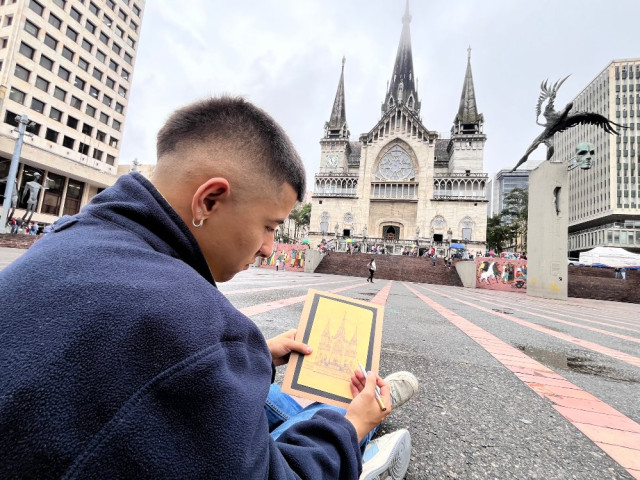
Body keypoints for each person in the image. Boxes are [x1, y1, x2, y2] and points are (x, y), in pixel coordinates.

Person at [0, 97, 417, 480]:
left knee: (260, 391)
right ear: (210, 201)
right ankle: (358, 442)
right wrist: (352, 427)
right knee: (330, 423)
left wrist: (250, 358)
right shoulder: (198, 326)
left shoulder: (62, 239)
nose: (269, 248)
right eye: (269, 226)